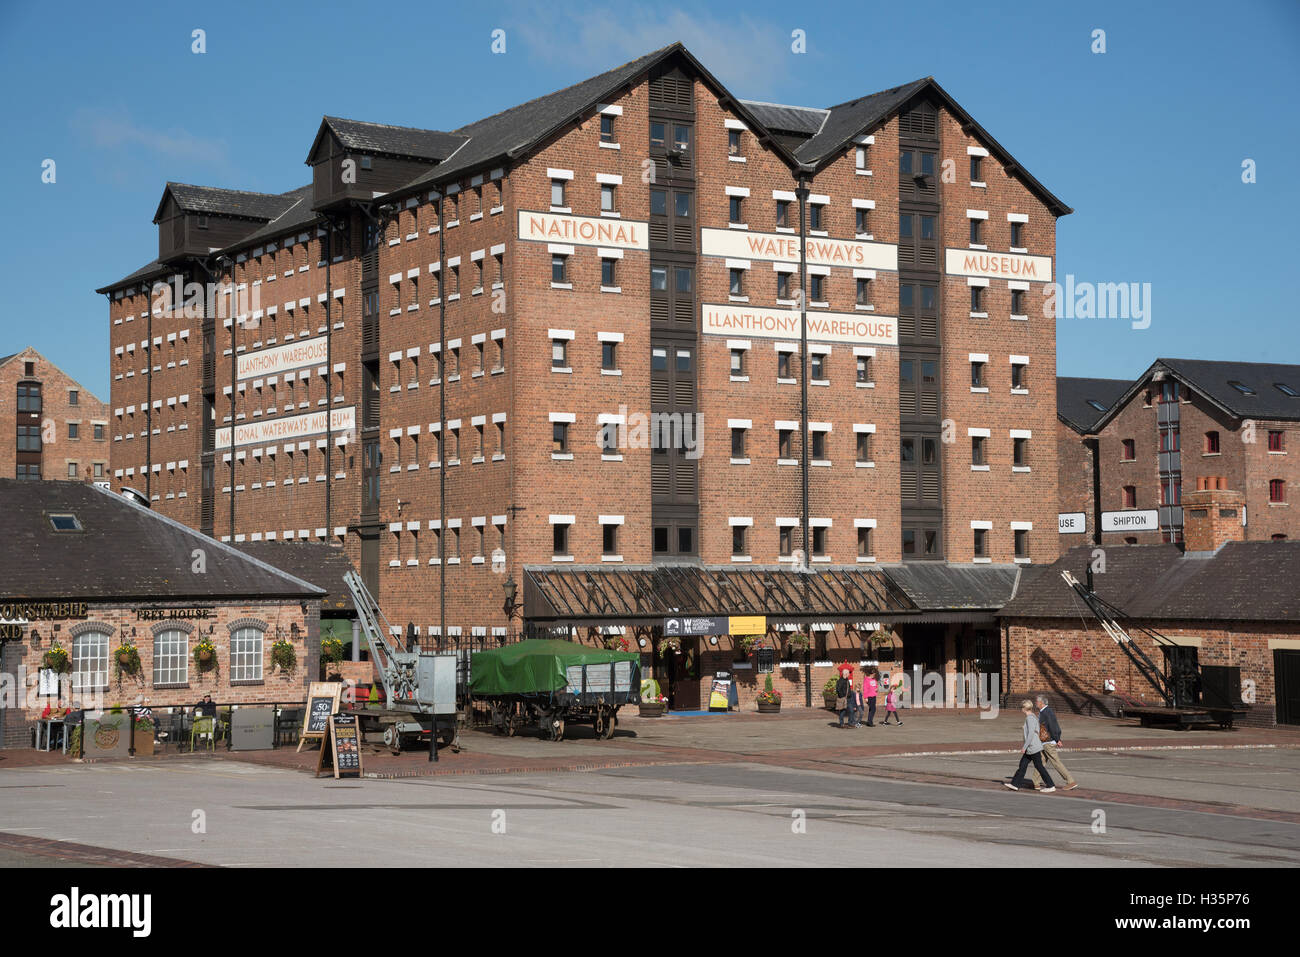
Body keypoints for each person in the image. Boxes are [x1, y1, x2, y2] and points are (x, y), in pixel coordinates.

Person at [1005, 699, 1055, 792]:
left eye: (1022, 707)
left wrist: (1024, 747)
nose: (1021, 709)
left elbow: (1031, 734)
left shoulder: (1030, 718)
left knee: (1039, 767)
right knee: (1023, 765)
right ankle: (1015, 784)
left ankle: (1051, 785)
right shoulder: (1033, 717)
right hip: (1031, 747)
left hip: (1033, 747)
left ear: (1024, 708)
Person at [1030, 694, 1078, 790]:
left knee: (1056, 762)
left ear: (1041, 702)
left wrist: (1057, 739)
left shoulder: (1048, 712)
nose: (1035, 703)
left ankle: (1070, 781)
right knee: (1040, 762)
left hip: (1048, 742)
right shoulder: (1043, 712)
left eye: (1036, 702)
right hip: (1043, 742)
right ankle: (1035, 782)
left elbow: (1054, 726)